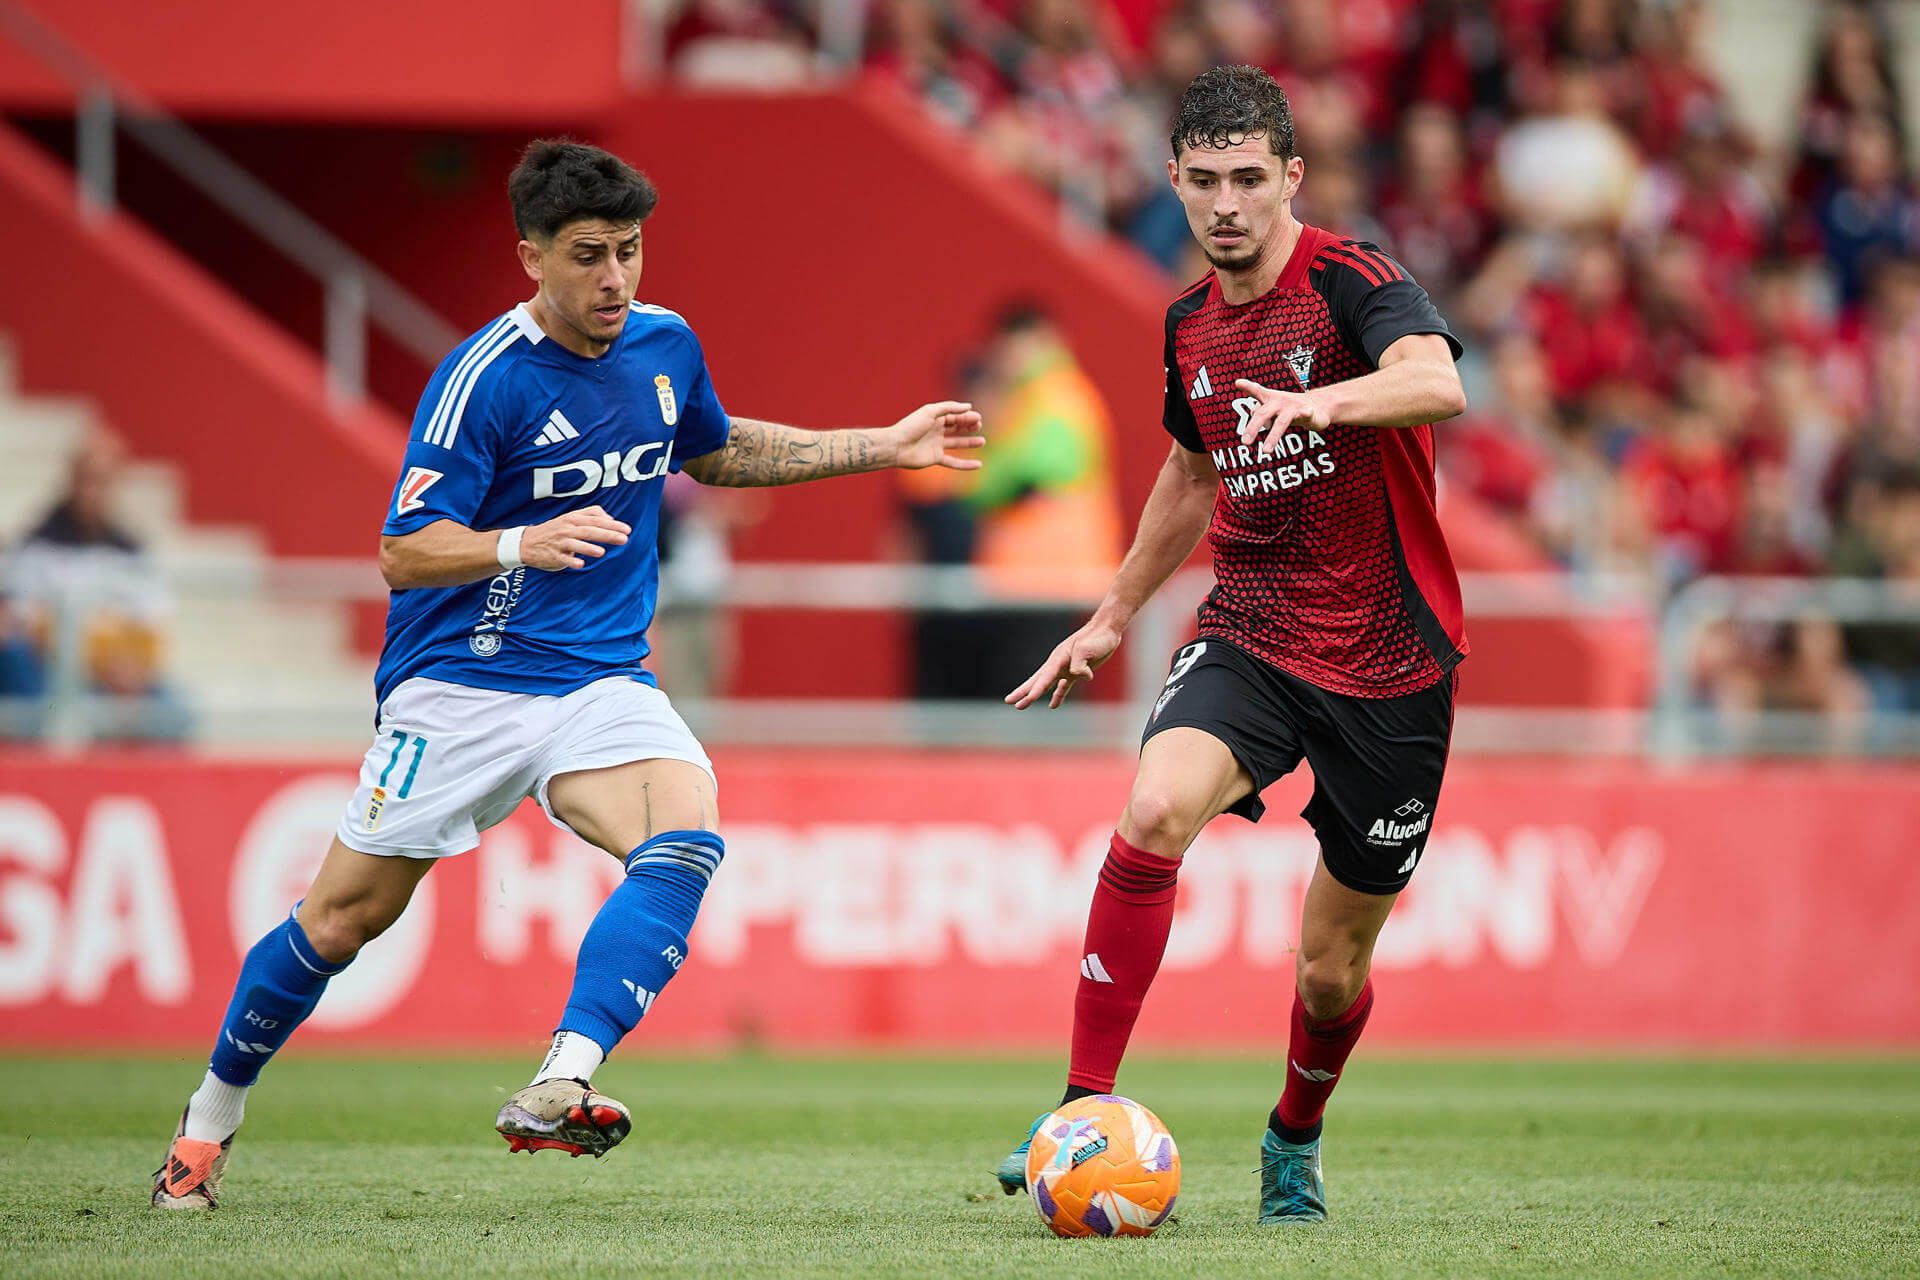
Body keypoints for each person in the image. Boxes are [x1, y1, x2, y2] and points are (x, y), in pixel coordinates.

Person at [151, 139, 984, 1210]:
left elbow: (716, 452)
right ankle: (208, 1123)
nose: (614, 279)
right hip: (462, 683)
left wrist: (885, 443)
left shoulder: (665, 345)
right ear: (530, 257)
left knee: (686, 830)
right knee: (342, 920)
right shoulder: (482, 379)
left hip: (597, 682)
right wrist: (516, 543)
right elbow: (404, 547)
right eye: (589, 255)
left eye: (629, 252)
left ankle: (562, 1077)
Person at [993, 65, 1467, 1225]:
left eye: (1250, 179)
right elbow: (1190, 468)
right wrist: (1111, 613)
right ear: (1173, 180)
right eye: (1203, 181)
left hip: (1393, 658)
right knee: (1153, 811)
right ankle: (1079, 1108)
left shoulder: (1355, 282)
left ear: (1291, 177)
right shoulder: (1188, 326)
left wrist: (1323, 403)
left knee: (1329, 968)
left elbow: (1438, 381)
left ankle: (1293, 1137)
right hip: (1252, 625)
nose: (1227, 206)